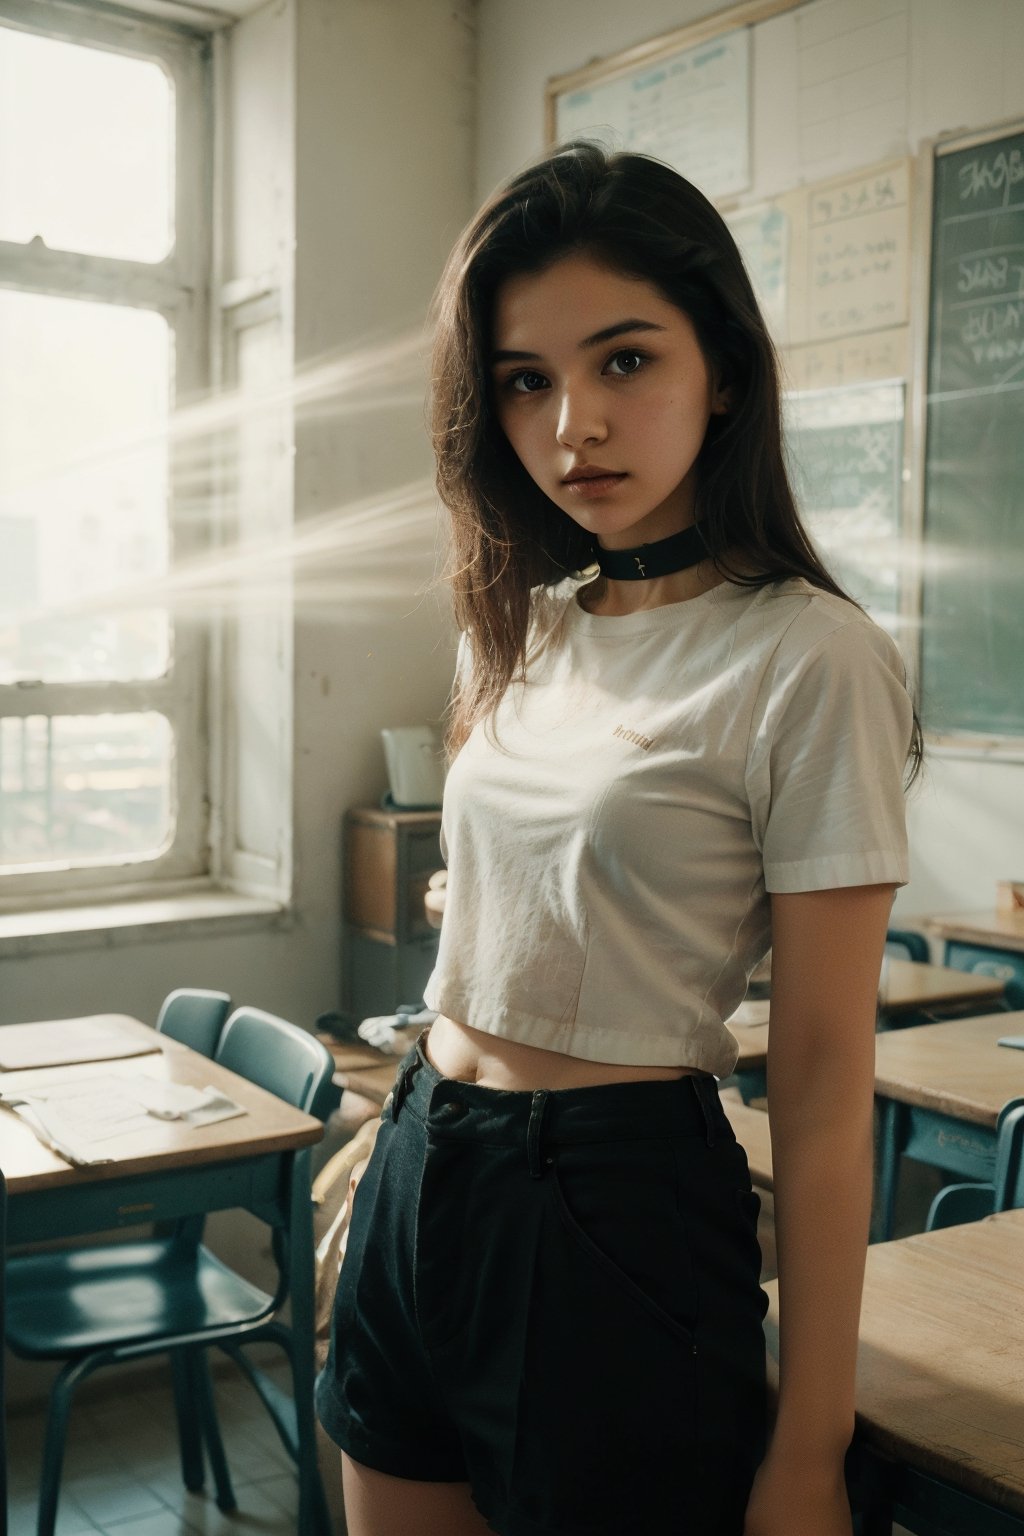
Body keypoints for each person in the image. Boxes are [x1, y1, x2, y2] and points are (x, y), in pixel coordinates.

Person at [316, 141, 920, 1536]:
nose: (572, 422)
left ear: (725, 365)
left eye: (626, 361)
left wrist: (808, 1449)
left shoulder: (811, 658)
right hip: (423, 1157)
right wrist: (404, 1152)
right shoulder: (532, 621)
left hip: (608, 1207)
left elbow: (829, 1090)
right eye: (526, 380)